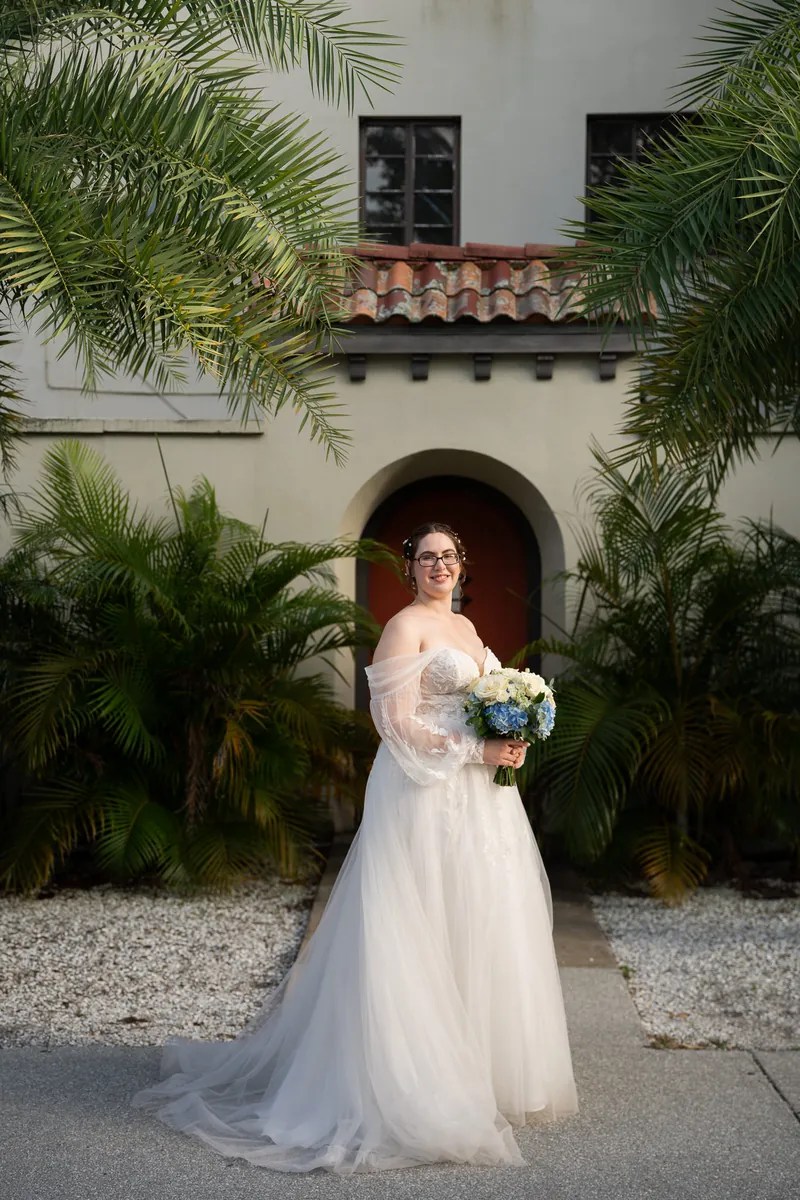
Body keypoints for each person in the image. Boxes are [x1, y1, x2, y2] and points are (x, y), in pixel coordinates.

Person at [131, 520, 579, 1173]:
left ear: (463, 564)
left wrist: (510, 735)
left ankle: (483, 1070)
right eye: (426, 558)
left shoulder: (469, 631)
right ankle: (416, 1081)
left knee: (479, 917)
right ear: (410, 568)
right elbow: (395, 724)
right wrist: (474, 748)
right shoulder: (404, 627)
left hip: (481, 798)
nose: (438, 566)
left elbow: (484, 697)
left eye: (448, 556)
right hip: (422, 794)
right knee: (418, 921)